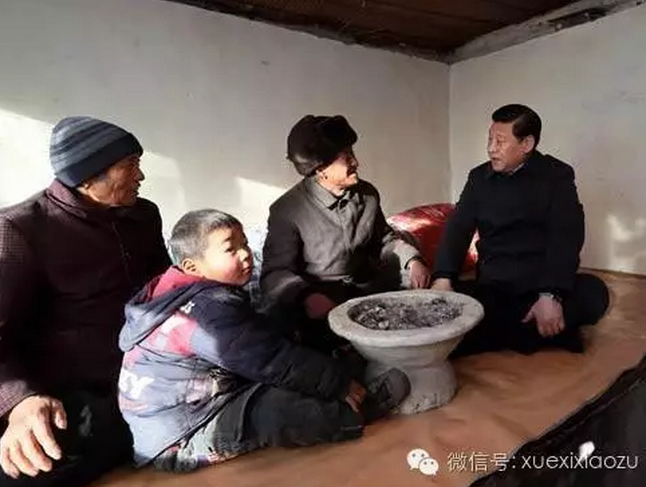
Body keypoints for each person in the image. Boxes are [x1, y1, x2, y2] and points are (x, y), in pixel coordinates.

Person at [117, 209, 410, 472]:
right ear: (192, 267)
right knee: (274, 409)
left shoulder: (172, 290)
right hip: (183, 435)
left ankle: (338, 369)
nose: (245, 254)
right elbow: (269, 360)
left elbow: (256, 341)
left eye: (244, 243)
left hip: (196, 402)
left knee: (280, 320)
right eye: (230, 249)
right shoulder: (204, 314)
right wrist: (337, 383)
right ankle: (357, 412)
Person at [0, 116, 171, 486]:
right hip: (70, 394)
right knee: (28, 469)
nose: (141, 176)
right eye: (130, 166)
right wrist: (18, 401)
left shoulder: (143, 215)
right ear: (88, 177)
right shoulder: (19, 230)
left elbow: (165, 290)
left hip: (151, 375)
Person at [432, 104, 609, 356]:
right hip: (494, 287)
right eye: (490, 139)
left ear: (526, 144)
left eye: (500, 141)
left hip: (538, 285)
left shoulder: (556, 176)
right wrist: (443, 277)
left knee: (594, 291)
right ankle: (537, 332)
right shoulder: (479, 178)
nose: (491, 148)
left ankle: (499, 330)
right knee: (440, 300)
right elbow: (458, 227)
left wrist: (550, 295)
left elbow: (566, 236)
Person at [260, 115, 431, 353]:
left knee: (423, 296)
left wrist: (412, 260)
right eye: (347, 157)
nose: (356, 162)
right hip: (322, 300)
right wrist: (307, 296)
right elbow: (275, 273)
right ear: (321, 169)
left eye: (353, 153)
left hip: (365, 289)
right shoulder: (287, 210)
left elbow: (384, 239)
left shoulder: (367, 194)